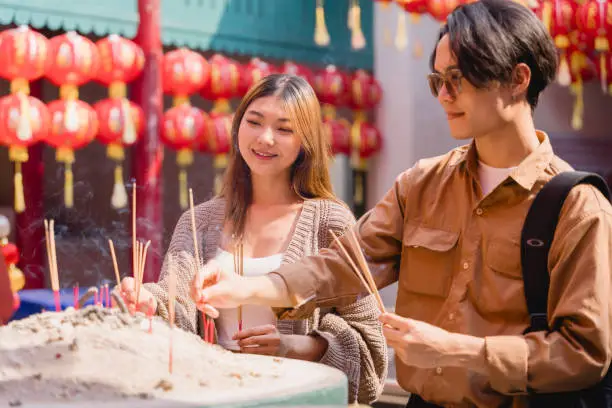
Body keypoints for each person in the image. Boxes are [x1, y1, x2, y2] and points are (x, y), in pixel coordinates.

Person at [194, 1, 612, 407]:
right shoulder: (422, 185)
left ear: (519, 78)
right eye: (437, 81)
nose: (444, 95)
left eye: (458, 79)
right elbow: (344, 263)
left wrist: (457, 350)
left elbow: (583, 354)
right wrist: (248, 287)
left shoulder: (577, 206)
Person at [118, 73, 387, 404]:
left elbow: (370, 349)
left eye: (284, 129)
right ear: (237, 127)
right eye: (254, 122)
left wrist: (297, 347)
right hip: (214, 398)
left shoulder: (330, 222)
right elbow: (177, 304)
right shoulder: (197, 221)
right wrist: (149, 303)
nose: (265, 138)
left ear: (306, 142)